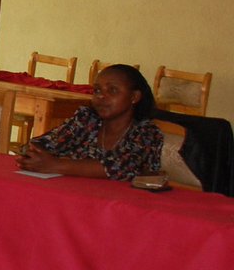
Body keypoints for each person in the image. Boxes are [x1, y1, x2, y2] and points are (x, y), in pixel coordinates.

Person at [16, 63, 162, 181]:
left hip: (124, 207)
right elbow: (43, 144)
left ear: (134, 97)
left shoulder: (147, 133)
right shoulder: (87, 120)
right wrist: (34, 156)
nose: (101, 96)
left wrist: (56, 164)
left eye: (112, 90)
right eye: (97, 90)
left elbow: (120, 167)